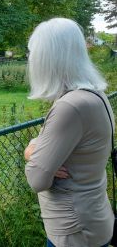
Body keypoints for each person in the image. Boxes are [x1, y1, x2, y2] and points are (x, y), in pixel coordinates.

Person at [24, 17, 114, 247]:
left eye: (33, 53)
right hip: (93, 220)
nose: (30, 60)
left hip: (73, 232)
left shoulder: (70, 106)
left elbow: (36, 178)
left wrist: (31, 151)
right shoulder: (94, 94)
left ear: (47, 58)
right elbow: (48, 144)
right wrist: (35, 148)